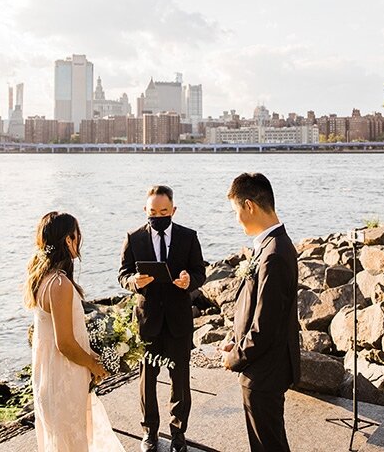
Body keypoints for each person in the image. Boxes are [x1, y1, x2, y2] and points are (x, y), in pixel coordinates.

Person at [25, 211, 125, 452]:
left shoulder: (41, 278)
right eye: (77, 235)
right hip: (63, 376)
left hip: (49, 374)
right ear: (69, 240)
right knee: (72, 442)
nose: (80, 239)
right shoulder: (59, 284)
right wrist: (94, 364)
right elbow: (65, 344)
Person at [118, 185, 206, 452]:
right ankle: (149, 433)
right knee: (147, 380)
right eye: (153, 211)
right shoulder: (133, 238)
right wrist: (133, 281)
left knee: (180, 381)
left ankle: (178, 435)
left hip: (178, 321)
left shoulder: (188, 237)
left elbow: (200, 272)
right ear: (146, 210)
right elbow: (122, 274)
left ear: (173, 210)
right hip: (147, 322)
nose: (158, 215)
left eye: (164, 211)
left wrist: (190, 281)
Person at [221, 173, 301, 452]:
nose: (236, 219)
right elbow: (257, 308)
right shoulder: (271, 245)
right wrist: (235, 337)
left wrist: (235, 357)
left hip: (264, 370)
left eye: (236, 212)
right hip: (264, 366)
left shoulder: (275, 254)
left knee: (268, 445)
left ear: (249, 206)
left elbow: (265, 326)